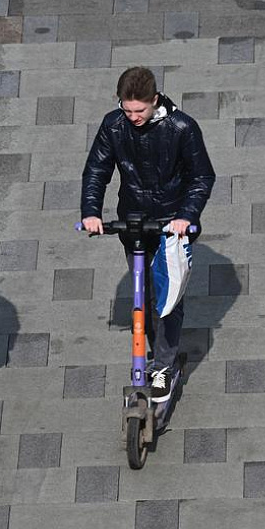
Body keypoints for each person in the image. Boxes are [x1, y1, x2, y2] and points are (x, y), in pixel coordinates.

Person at [81, 66, 216, 403]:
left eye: (139, 110)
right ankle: (152, 355)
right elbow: (97, 169)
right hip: (135, 223)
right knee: (144, 294)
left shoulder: (182, 127)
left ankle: (164, 366)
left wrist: (186, 216)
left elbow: (202, 177)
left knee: (167, 299)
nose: (133, 117)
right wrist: (91, 212)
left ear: (155, 100)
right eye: (127, 110)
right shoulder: (114, 126)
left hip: (172, 227)